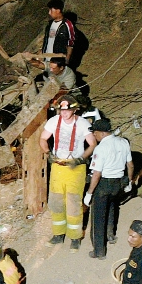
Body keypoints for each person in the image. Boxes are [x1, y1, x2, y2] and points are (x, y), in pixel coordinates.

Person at [39, 96, 96, 250]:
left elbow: (92, 144)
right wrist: (47, 152)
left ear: (74, 109)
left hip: (75, 168)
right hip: (58, 166)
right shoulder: (53, 122)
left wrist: (82, 158)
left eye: (67, 110)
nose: (63, 113)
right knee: (56, 202)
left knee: (73, 203)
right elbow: (43, 138)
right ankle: (58, 234)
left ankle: (75, 237)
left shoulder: (82, 123)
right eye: (61, 110)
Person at [82, 118, 133, 260]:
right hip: (118, 183)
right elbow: (130, 165)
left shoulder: (101, 148)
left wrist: (89, 193)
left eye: (95, 133)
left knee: (98, 217)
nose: (94, 136)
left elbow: (96, 174)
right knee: (112, 207)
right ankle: (110, 235)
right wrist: (129, 181)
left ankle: (99, 251)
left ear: (101, 133)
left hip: (103, 184)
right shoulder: (123, 142)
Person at [29, 0, 78, 69]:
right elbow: (49, 40)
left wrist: (67, 60)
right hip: (48, 59)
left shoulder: (67, 25)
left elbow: (70, 44)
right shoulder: (50, 24)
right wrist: (42, 52)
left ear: (58, 10)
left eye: (51, 10)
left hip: (58, 61)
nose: (49, 12)